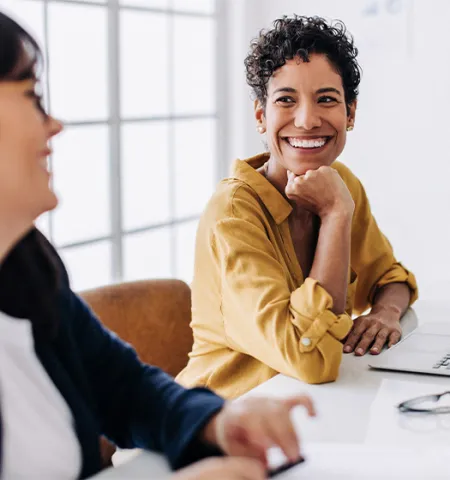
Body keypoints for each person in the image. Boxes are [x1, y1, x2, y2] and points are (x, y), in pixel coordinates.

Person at [0, 11, 316, 480]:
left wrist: (219, 421)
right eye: (32, 98)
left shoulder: (26, 266)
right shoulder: (236, 207)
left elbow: (122, 387)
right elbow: (306, 350)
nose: (54, 126)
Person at [176, 15, 418, 399]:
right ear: (261, 115)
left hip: (309, 410)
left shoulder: (342, 183)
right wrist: (336, 214)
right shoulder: (235, 213)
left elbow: (390, 278)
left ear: (350, 114)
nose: (307, 120)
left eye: (326, 99)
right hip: (222, 419)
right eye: (286, 100)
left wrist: (384, 313)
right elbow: (310, 359)